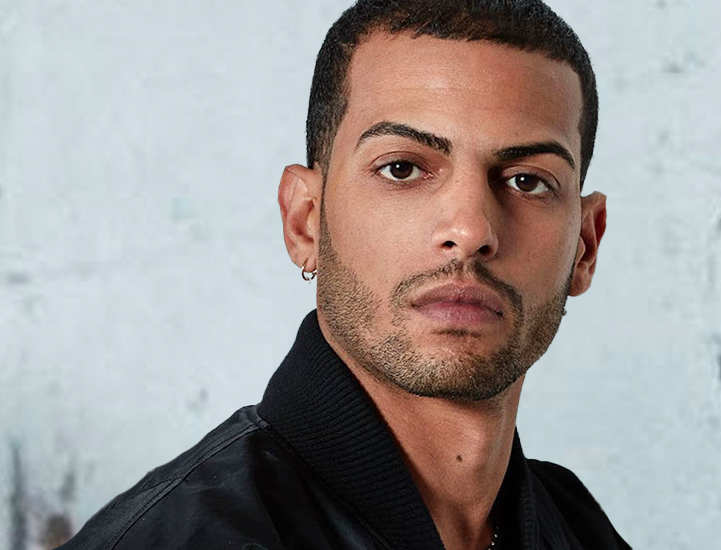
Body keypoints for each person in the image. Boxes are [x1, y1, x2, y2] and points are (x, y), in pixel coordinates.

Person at [59, 1, 630, 549]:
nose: (470, 229)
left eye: (529, 181)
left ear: (585, 245)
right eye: (401, 168)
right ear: (305, 221)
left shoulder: (576, 527)